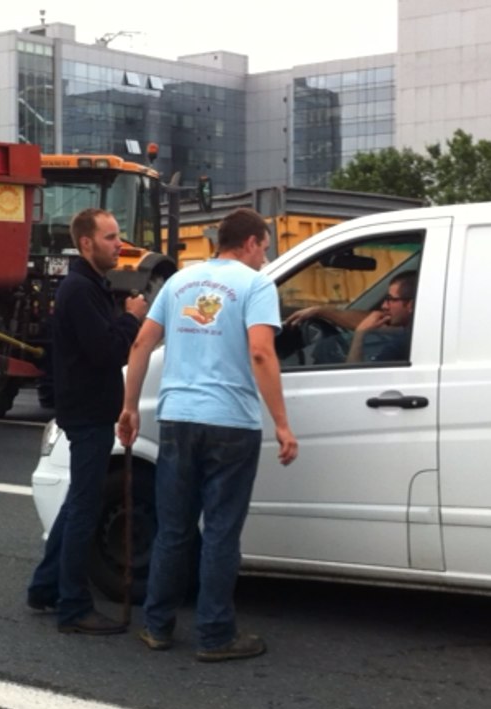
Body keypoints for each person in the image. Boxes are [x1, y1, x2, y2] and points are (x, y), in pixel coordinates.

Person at [117, 207, 298, 662]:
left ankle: (157, 627)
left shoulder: (179, 283)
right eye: (265, 248)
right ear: (252, 242)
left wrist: (129, 407)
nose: (265, 257)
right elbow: (261, 352)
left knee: (173, 529)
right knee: (219, 532)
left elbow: (142, 342)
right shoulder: (256, 285)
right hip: (230, 423)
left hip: (178, 418)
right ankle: (215, 634)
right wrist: (281, 421)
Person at [27, 208, 148, 635]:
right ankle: (74, 607)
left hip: (88, 409)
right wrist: (132, 317)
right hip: (90, 414)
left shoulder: (90, 286)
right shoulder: (80, 289)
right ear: (86, 244)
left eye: (118, 235)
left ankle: (45, 587)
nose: (119, 244)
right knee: (84, 507)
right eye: (111, 237)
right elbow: (106, 352)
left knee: (77, 501)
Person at [284, 271, 418, 363]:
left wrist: (359, 334)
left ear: (410, 305)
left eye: (390, 299)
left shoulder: (402, 343)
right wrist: (320, 311)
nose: (383, 305)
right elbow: (372, 319)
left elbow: (356, 378)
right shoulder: (417, 331)